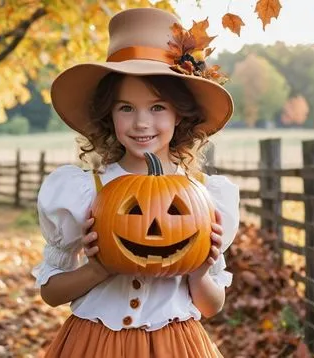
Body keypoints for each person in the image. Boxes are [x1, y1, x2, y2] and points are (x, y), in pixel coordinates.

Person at [32, 7, 240, 358]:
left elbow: (211, 306)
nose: (142, 122)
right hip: (94, 344)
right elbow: (51, 293)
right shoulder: (85, 190)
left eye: (157, 107)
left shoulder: (205, 196)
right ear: (108, 114)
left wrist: (201, 272)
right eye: (126, 108)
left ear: (180, 114)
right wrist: (98, 269)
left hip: (175, 345)